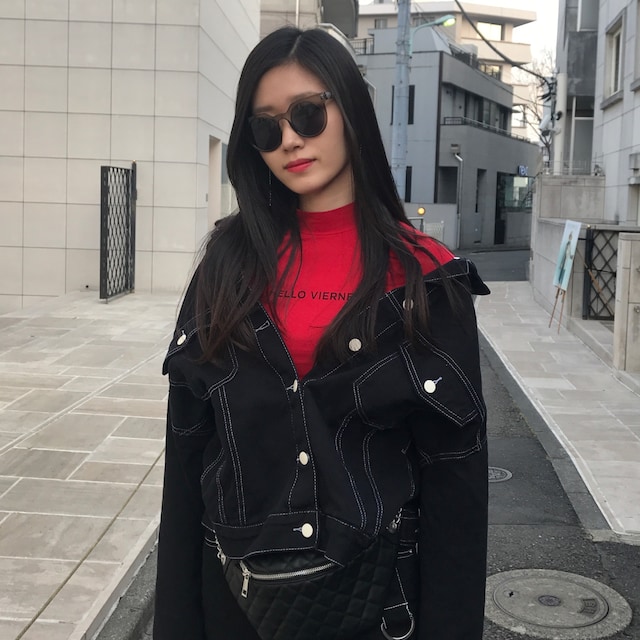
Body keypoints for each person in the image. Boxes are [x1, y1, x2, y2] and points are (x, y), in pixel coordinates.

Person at [154, 26, 490, 640]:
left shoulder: (424, 276)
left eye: (307, 114)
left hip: (380, 604)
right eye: (266, 128)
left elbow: (456, 483)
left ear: (350, 110)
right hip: (235, 598)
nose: (289, 139)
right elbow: (186, 454)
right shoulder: (226, 265)